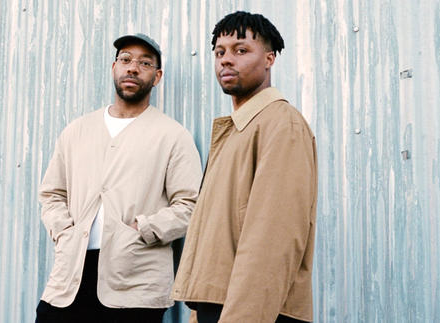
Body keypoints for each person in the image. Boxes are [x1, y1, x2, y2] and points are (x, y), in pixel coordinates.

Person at [36, 33, 202, 323]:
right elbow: (52, 194)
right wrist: (65, 231)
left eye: (145, 63)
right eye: (125, 59)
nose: (133, 68)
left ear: (157, 76)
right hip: (68, 281)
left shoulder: (173, 136)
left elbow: (191, 204)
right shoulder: (77, 131)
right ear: (114, 67)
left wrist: (145, 228)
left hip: (134, 285)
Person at [171, 11, 318, 323]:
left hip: (254, 313)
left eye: (241, 50)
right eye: (219, 52)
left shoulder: (281, 124)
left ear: (269, 59)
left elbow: (272, 242)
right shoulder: (235, 131)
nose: (226, 60)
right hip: (222, 307)